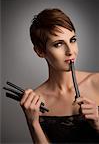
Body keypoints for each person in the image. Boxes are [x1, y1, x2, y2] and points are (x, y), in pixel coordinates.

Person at [20, 8, 99, 143]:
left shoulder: (97, 83)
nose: (70, 51)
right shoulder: (36, 101)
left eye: (72, 40)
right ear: (40, 51)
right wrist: (33, 123)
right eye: (58, 44)